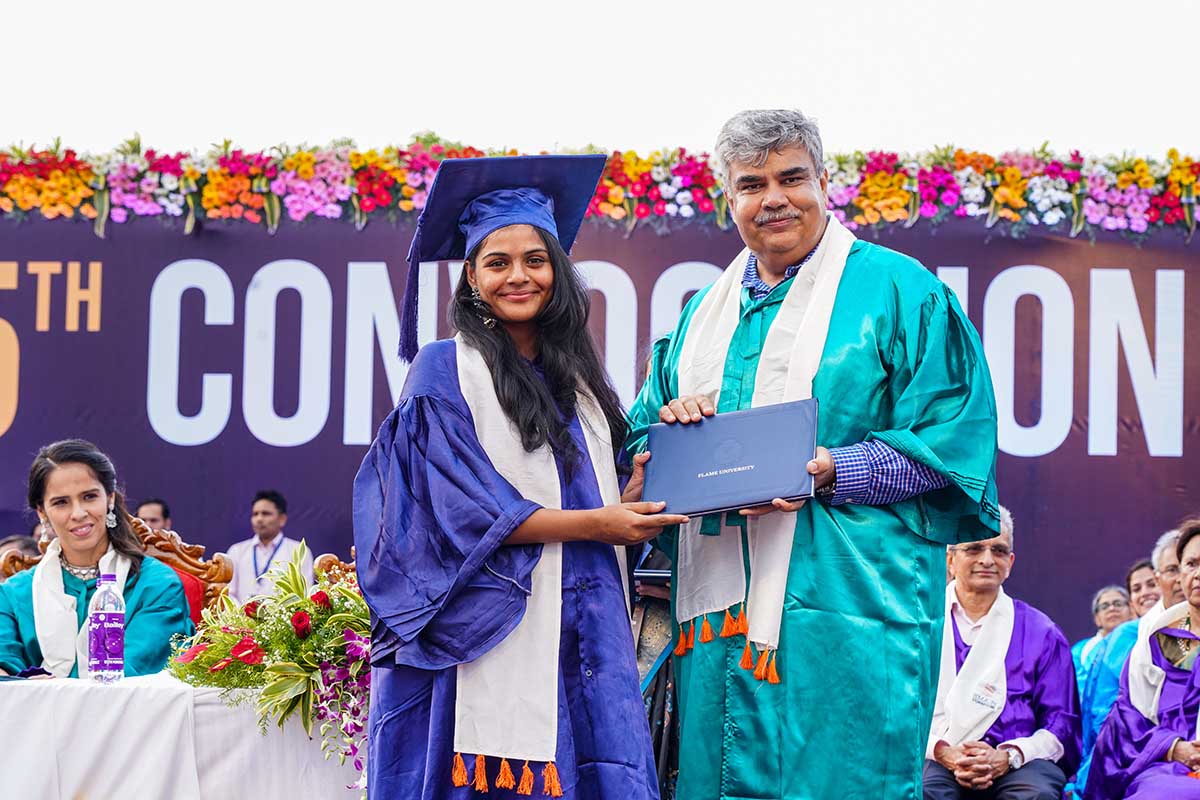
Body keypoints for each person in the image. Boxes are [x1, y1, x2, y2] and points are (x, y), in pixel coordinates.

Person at [626, 108, 1001, 799]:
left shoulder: (900, 291)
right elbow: (640, 440)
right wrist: (670, 437)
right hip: (720, 630)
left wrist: (829, 470)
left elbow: (952, 440)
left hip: (849, 610)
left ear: (824, 182)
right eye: (752, 184)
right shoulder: (700, 316)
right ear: (728, 199)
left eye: (791, 178)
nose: (773, 199)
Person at [353, 154, 685, 799]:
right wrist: (597, 523)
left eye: (535, 260)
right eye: (497, 262)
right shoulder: (443, 369)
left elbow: (599, 497)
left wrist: (629, 497)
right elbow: (456, 510)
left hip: (590, 626)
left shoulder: (580, 380)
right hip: (488, 626)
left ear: (557, 271)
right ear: (471, 277)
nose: (518, 276)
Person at [0, 439, 192, 677]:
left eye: (89, 497)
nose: (78, 513)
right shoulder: (13, 595)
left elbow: (133, 672)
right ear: (42, 512)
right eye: (61, 502)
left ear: (109, 498)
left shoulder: (157, 586)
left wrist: (44, 688)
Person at [924, 506, 1080, 799]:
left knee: (1034, 795)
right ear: (950, 559)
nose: (987, 559)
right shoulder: (920, 624)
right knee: (922, 792)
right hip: (934, 755)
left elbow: (1061, 724)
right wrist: (943, 751)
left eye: (998, 550)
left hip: (1018, 763)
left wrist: (1010, 755)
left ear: (1010, 562)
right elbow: (895, 709)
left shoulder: (1042, 633)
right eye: (974, 548)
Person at [1085, 517, 1200, 800]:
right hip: (1167, 765)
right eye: (1191, 564)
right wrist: (1172, 747)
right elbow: (1128, 716)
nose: (1197, 574)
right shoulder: (1161, 637)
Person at [1074, 557, 1173, 794]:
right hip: (1128, 745)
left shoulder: (1181, 627)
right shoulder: (1126, 636)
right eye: (1136, 589)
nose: (1145, 592)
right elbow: (1107, 708)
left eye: (1151, 584)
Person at [226, 490, 311, 602]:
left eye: (266, 513)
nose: (259, 519)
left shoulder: (298, 551)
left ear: (282, 519)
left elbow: (304, 595)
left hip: (283, 613)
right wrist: (241, 612)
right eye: (255, 514)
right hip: (241, 612)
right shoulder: (236, 551)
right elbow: (228, 593)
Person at [1073, 586, 1134, 690]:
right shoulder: (1080, 650)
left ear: (1131, 611)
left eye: (1118, 604)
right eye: (1104, 606)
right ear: (1097, 619)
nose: (1112, 609)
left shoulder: (1141, 640)